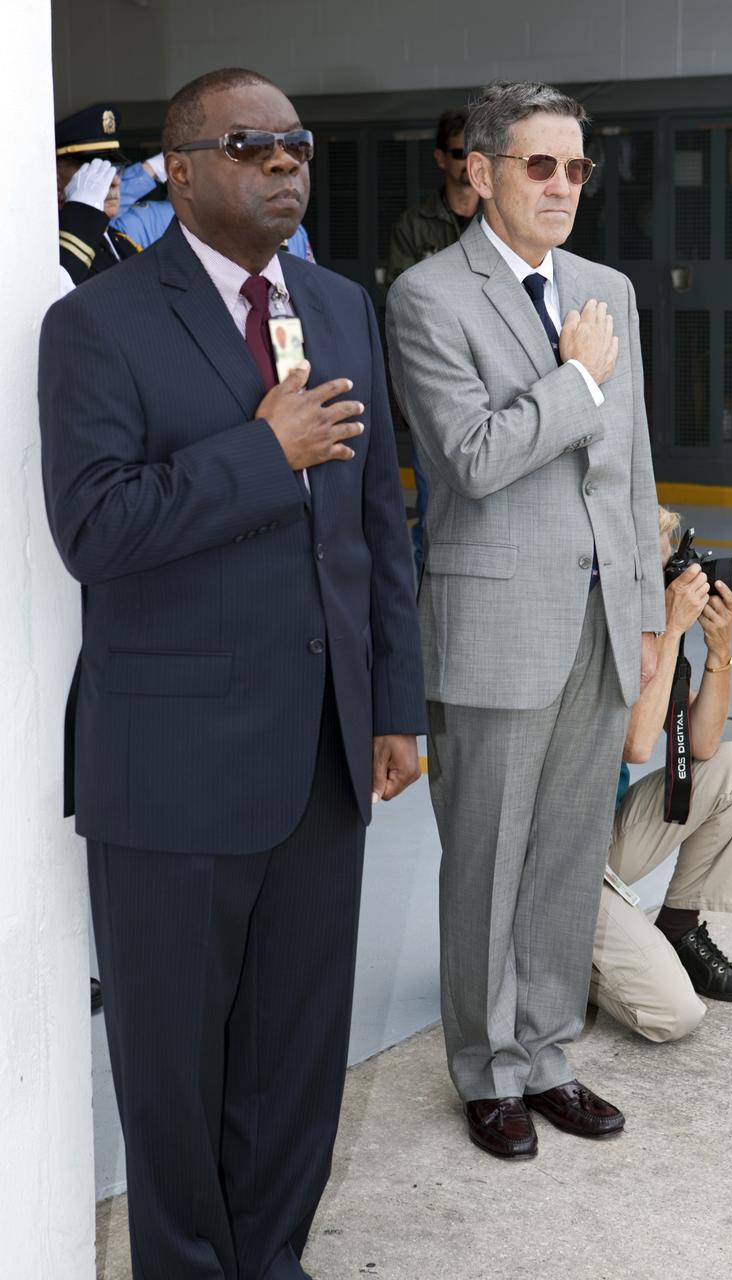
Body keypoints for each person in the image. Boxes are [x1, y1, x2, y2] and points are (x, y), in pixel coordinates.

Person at [39, 66, 425, 1280]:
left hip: (322, 754)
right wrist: (263, 452)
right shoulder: (96, 322)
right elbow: (94, 526)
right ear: (181, 168)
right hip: (172, 773)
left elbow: (374, 526)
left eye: (297, 144)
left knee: (297, 1053)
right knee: (174, 1067)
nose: (285, 163)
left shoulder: (338, 304)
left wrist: (394, 703)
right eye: (251, 143)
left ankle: (273, 1258)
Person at [386, 80, 664, 1162]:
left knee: (563, 853)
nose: (561, 185)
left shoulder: (608, 289)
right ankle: (485, 1068)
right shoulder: (428, 298)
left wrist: (642, 610)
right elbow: (475, 458)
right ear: (481, 172)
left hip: (600, 620)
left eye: (576, 168)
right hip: (496, 622)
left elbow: (632, 467)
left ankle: (547, 1054)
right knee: (485, 862)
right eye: (539, 165)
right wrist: (577, 384)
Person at [590, 506, 732, 1043]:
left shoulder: (650, 633)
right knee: (676, 1016)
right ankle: (551, 962)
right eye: (662, 573)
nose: (675, 584)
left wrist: (719, 649)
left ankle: (678, 929)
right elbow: (637, 744)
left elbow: (704, 744)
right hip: (559, 860)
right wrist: (669, 628)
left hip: (608, 836)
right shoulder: (594, 623)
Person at [386, 108, 480, 577]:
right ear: (442, 158)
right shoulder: (416, 224)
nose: (469, 162)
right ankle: (424, 614)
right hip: (439, 381)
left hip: (493, 375)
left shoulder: (500, 217)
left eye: (476, 151)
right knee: (431, 511)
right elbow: (407, 306)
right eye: (461, 152)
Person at [114, 151, 317, 260]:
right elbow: (98, 216)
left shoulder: (288, 228)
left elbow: (308, 291)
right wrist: (151, 170)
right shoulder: (147, 219)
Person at [55, 105, 142, 285]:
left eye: (114, 169)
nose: (114, 181)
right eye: (94, 172)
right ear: (56, 180)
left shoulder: (123, 242)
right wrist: (83, 210)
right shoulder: (48, 246)